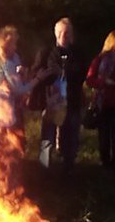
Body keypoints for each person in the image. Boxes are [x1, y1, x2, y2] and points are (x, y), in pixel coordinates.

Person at [37, 18, 88, 173]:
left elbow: (82, 73)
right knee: (48, 136)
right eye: (61, 32)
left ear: (71, 34)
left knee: (71, 134)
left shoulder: (78, 53)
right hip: (52, 102)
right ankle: (44, 167)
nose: (64, 35)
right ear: (56, 33)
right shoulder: (46, 52)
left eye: (67, 32)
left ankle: (68, 167)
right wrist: (50, 77)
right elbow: (38, 73)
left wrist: (67, 73)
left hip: (72, 100)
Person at [86, 30, 115, 168]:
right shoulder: (100, 59)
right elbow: (90, 80)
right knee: (104, 134)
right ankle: (105, 161)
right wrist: (104, 82)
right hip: (103, 102)